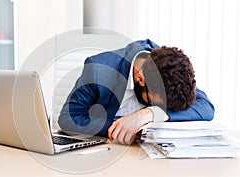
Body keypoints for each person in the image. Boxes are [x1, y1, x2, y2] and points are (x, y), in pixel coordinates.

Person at [58, 39, 214, 145]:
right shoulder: (99, 70)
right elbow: (68, 118)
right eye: (156, 103)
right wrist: (120, 127)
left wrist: (149, 114)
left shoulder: (171, 69)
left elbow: (206, 107)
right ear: (140, 79)